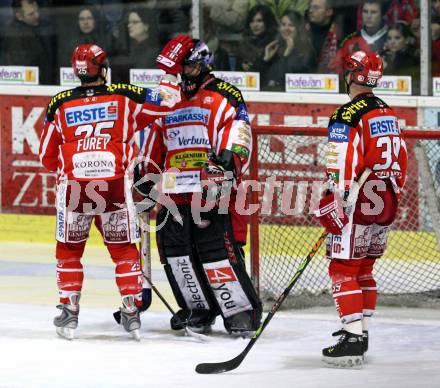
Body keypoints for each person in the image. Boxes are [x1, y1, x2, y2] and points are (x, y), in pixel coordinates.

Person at [38, 43, 181, 341]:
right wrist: (169, 72)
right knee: (123, 250)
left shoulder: (59, 102)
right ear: (103, 68)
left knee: (69, 250)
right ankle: (131, 310)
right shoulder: (125, 95)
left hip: (75, 187)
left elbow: (46, 157)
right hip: (114, 183)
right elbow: (169, 100)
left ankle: (69, 309)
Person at [135, 35, 262, 336]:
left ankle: (239, 311)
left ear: (204, 63)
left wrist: (230, 159)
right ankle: (198, 308)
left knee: (215, 250)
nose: (183, 74)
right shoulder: (169, 98)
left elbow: (239, 130)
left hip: (212, 188)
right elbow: (155, 138)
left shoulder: (224, 93)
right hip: (175, 189)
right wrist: (146, 176)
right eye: (180, 68)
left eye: (188, 67)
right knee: (176, 252)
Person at [315, 51, 408, 368]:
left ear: (352, 76)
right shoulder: (386, 110)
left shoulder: (347, 114)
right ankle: (359, 331)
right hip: (387, 197)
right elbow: (402, 159)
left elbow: (340, 163)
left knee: (342, 269)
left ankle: (352, 340)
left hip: (360, 198)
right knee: (365, 268)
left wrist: (335, 197)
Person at [1, 0, 55, 84]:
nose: (37, 15)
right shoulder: (14, 35)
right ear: (19, 16)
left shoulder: (43, 26)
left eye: (37, 10)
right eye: (31, 14)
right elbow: (21, 68)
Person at [262, 10, 316, 90]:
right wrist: (265, 60)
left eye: (291, 25)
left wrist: (286, 54)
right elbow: (257, 80)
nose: (286, 28)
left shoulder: (306, 52)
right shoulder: (275, 48)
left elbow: (283, 80)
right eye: (283, 25)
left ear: (299, 29)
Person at [329, 1, 388, 73]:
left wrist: (389, 67)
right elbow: (334, 67)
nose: (368, 16)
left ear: (382, 15)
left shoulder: (391, 39)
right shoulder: (351, 40)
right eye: (365, 12)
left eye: (373, 12)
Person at [236, 5, 278, 73]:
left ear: (267, 22)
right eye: (252, 21)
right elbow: (236, 75)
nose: (255, 25)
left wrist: (256, 66)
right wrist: (242, 68)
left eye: (259, 21)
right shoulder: (243, 44)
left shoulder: (274, 44)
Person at [306, 0, 343, 73]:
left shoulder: (339, 35)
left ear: (329, 12)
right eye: (310, 7)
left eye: (316, 8)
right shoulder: (303, 32)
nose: (310, 11)